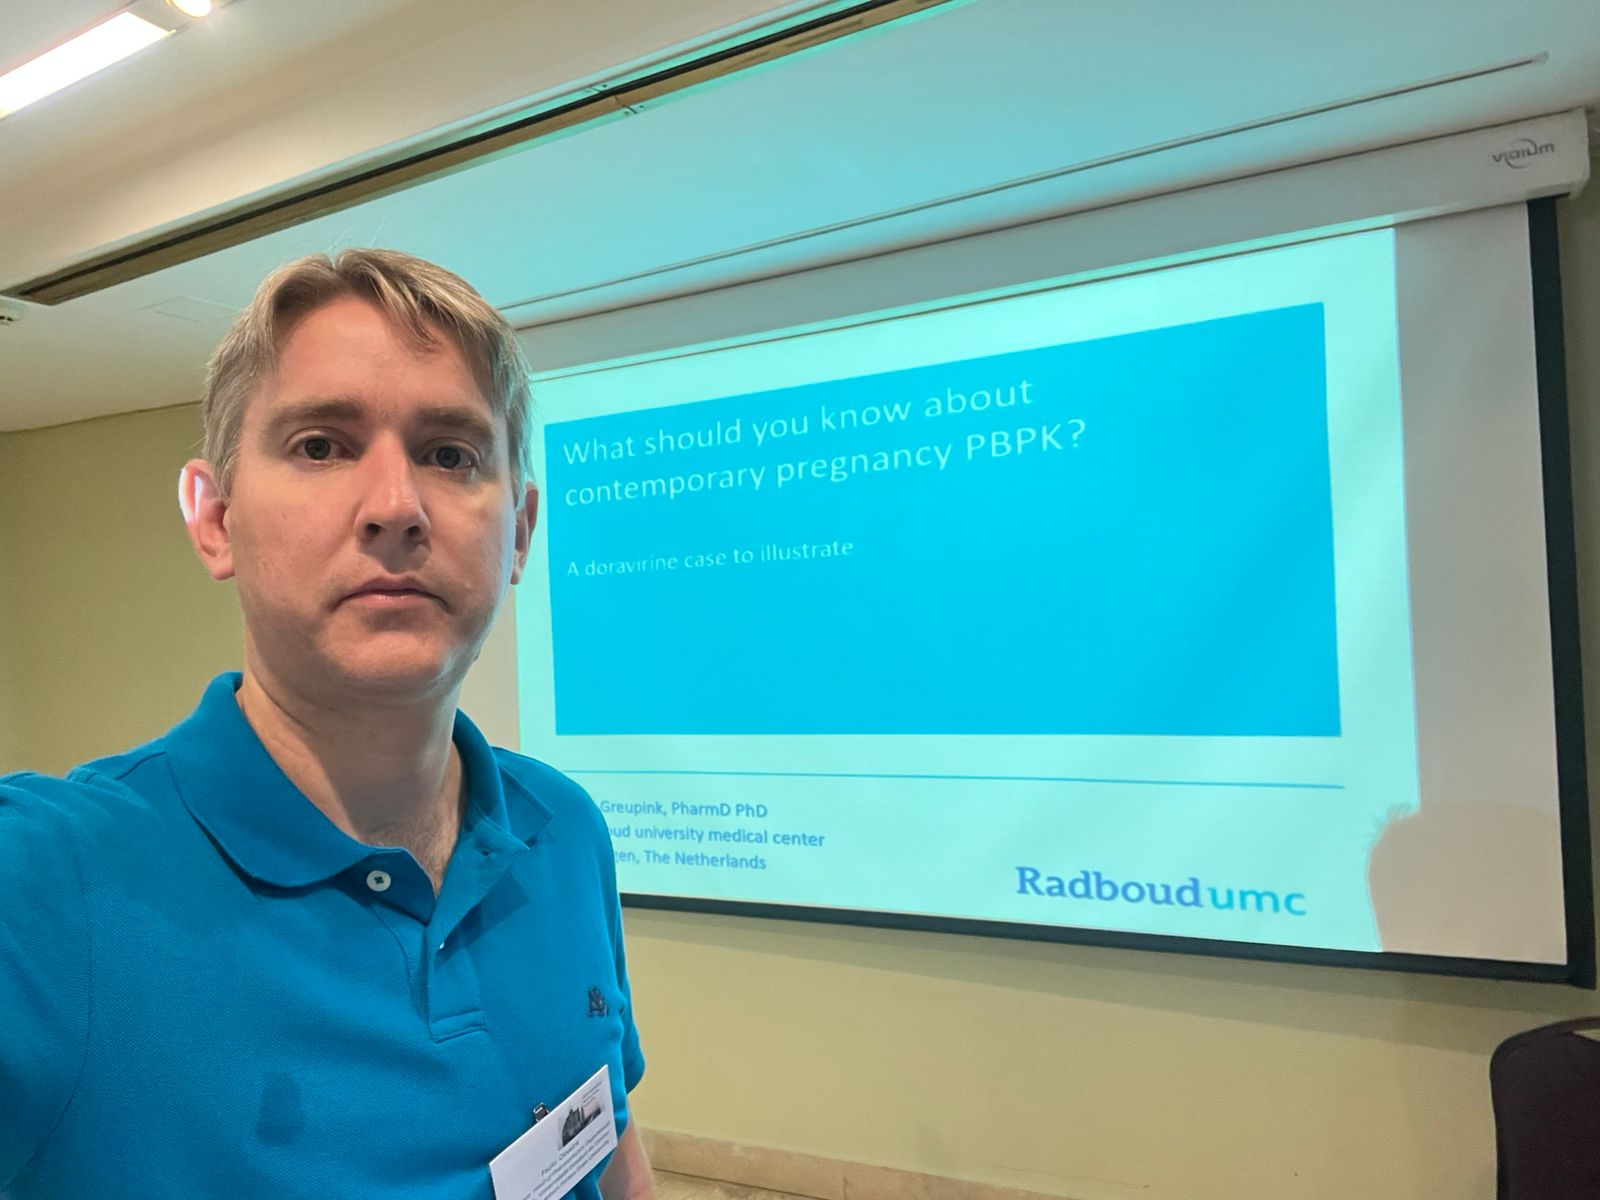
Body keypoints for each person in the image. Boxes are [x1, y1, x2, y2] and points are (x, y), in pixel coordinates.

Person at [0, 250, 653, 1200]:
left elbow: (604, 1137)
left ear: (518, 532)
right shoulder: (45, 884)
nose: (396, 508)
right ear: (215, 518)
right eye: (320, 446)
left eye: (450, 454)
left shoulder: (563, 830)